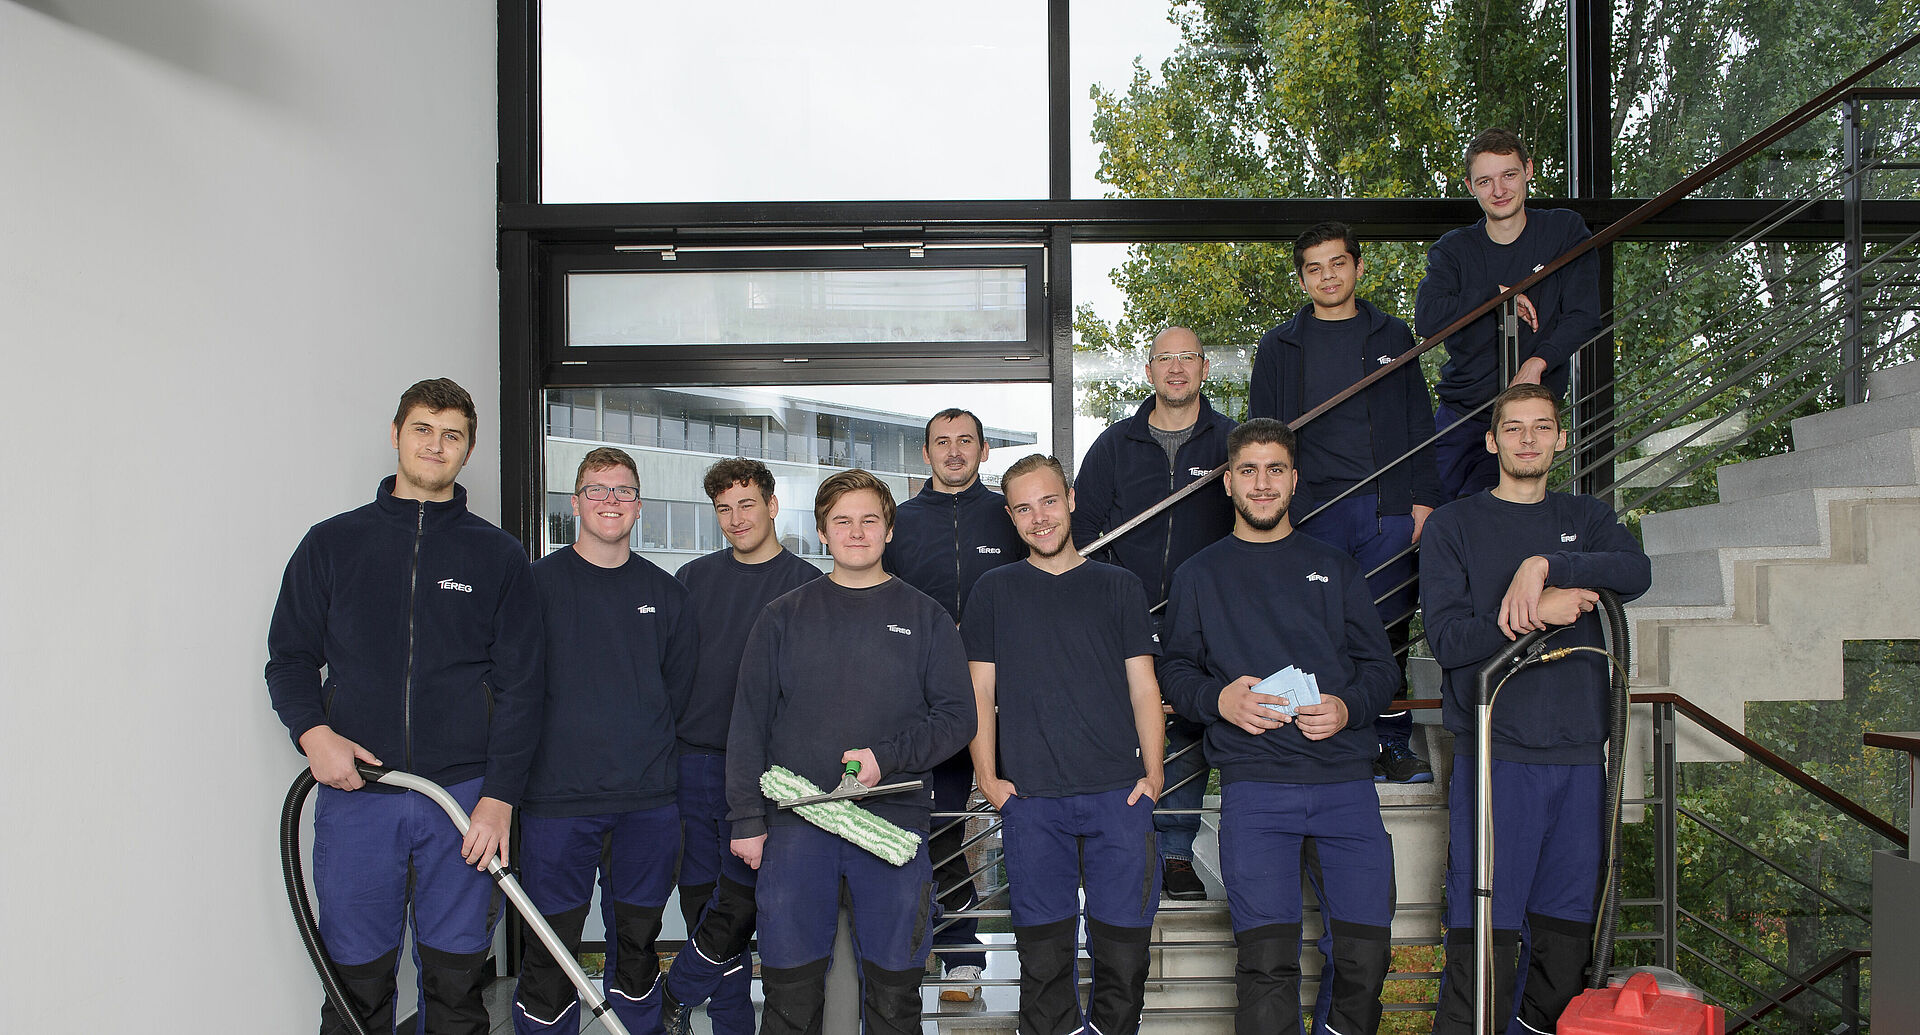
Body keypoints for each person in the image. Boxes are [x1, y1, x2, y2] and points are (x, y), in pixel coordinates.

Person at [266, 378, 543, 1035]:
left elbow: (524, 686)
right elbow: (289, 658)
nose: (435, 444)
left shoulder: (498, 556)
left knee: (456, 991)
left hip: (465, 801)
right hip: (358, 795)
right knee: (355, 989)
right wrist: (313, 733)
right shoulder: (332, 544)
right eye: (423, 428)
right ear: (396, 434)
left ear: (468, 449)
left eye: (452, 434)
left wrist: (500, 795)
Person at [1157, 418, 1401, 1035]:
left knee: (1365, 959)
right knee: (1266, 969)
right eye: (1247, 471)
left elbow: (1380, 668)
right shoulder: (1198, 575)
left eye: (1274, 470)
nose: (1261, 484)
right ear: (1228, 482)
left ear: (1294, 480)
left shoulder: (1335, 568)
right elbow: (1176, 674)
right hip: (1255, 791)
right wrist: (1220, 700)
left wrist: (1347, 707)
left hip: (1345, 787)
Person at [1421, 384, 1651, 1033]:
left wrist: (1548, 562)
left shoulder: (1588, 517)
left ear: (1560, 438)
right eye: (1513, 428)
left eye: (1541, 427)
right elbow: (1449, 639)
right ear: (1491, 440)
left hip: (1581, 759)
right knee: (1483, 940)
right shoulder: (1453, 526)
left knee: (1566, 940)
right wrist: (1534, 613)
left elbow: (1637, 572)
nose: (1528, 439)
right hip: (1499, 757)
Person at [726, 469, 976, 1035]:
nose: (856, 532)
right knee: (790, 998)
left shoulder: (926, 618)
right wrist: (746, 818)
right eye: (842, 521)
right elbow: (748, 723)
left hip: (892, 831)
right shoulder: (782, 617)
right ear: (821, 533)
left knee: (894, 998)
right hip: (797, 830)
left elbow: (959, 718)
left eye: (869, 520)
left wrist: (886, 759)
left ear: (890, 531)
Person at [963, 454, 1166, 1034]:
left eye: (1048, 501)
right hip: (1032, 802)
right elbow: (980, 689)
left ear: (1072, 499)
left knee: (1124, 961)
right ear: (1011, 517)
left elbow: (1144, 686)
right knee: (1044, 964)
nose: (1039, 517)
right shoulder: (993, 590)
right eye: (1023, 508)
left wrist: (1153, 776)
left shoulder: (1118, 586)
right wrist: (988, 779)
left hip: (1118, 799)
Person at [513, 447, 698, 1035]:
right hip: (556, 803)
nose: (610, 501)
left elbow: (680, 692)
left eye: (622, 491)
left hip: (647, 804)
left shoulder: (666, 594)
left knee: (638, 947)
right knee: (551, 952)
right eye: (597, 489)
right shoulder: (534, 586)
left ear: (639, 505)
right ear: (575, 504)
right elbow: (513, 686)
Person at [1252, 220, 1445, 784]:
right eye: (1314, 268)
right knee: (1311, 631)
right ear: (1302, 278)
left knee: (1386, 631)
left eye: (1337, 263)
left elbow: (1419, 424)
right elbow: (1262, 431)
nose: (1327, 276)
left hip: (1385, 509)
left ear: (1357, 267)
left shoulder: (1393, 336)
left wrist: (1423, 502)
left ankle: (1390, 743)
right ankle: (1315, 743)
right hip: (1309, 512)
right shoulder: (1280, 345)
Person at [1072, 325, 1237, 901]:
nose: (1175, 369)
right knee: (1124, 731)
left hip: (1204, 616)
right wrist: (1113, 593)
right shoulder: (1113, 446)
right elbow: (1084, 534)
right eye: (1164, 359)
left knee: (1190, 729)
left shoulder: (1230, 445)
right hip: (1125, 616)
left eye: (1187, 358)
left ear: (1203, 369)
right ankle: (1126, 845)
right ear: (1148, 372)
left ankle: (1174, 853)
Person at [661, 458, 823, 1035]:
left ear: (773, 505)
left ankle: (674, 993)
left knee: (751, 903)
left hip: (771, 773)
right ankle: (731, 1026)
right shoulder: (694, 579)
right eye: (724, 509)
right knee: (704, 901)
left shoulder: (809, 584)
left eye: (747, 504)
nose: (736, 518)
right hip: (696, 763)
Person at [881, 407, 1026, 1000]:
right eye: (942, 442)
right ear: (925, 454)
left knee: (1028, 818)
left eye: (965, 441)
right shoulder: (901, 522)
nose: (954, 451)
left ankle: (1050, 948)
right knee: (935, 822)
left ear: (984, 450)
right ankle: (960, 945)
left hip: (1012, 696)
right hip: (927, 699)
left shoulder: (1010, 515)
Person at [1416, 128, 1603, 501]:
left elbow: (1583, 316)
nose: (1498, 190)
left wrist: (1538, 362)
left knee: (1492, 520)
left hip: (1525, 415)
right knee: (1428, 519)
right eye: (1485, 180)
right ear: (1470, 186)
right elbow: (1428, 318)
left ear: (1529, 170)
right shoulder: (1454, 249)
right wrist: (1496, 296)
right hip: (1461, 412)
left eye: (1509, 175)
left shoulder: (1563, 231)